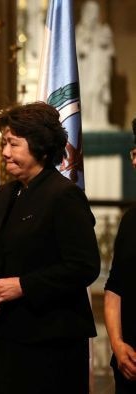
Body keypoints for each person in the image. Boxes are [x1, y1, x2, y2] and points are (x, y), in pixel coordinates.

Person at [0, 102, 101, 394]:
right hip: (6, 339)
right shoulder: (4, 195)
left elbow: (84, 266)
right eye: (4, 143)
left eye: (13, 144)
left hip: (52, 343)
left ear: (41, 147)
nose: (4, 152)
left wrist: (24, 286)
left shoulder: (64, 195)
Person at [104, 116, 136, 393]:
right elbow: (115, 287)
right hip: (129, 361)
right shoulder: (130, 220)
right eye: (135, 153)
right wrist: (117, 344)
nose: (135, 161)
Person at [76, 0, 116, 130]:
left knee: (98, 93)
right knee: (86, 92)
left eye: (95, 12)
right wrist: (86, 43)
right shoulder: (80, 30)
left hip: (98, 67)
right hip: (85, 69)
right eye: (90, 11)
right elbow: (77, 50)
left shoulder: (103, 30)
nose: (93, 15)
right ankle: (86, 118)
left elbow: (110, 51)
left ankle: (100, 120)